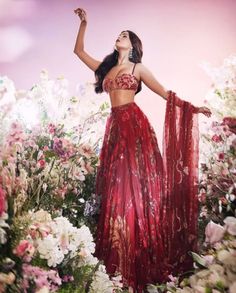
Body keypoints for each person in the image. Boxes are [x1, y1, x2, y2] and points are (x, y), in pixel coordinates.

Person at [73, 8, 212, 292]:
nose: (119, 36)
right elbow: (78, 51)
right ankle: (118, 261)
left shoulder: (138, 69)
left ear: (133, 45)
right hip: (115, 130)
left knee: (135, 190)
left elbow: (165, 93)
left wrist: (192, 108)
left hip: (135, 130)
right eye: (119, 34)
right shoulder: (106, 69)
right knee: (115, 189)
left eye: (125, 35)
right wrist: (84, 24)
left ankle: (138, 260)